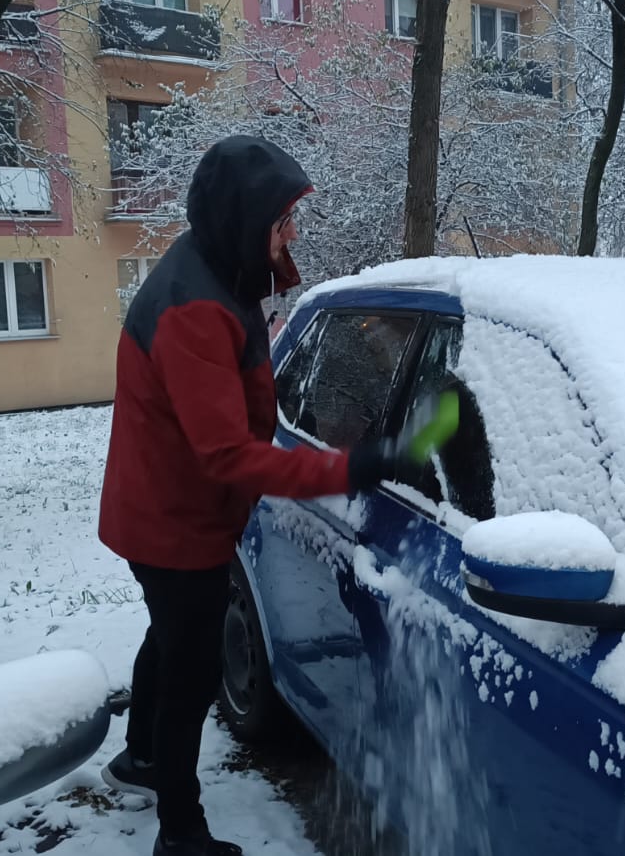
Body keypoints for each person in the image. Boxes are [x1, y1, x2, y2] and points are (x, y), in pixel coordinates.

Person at [96, 136, 399, 856]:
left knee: (170, 637)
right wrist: (345, 469)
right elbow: (229, 455)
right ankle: (181, 831)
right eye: (281, 220)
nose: (291, 233)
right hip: (176, 523)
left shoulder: (212, 267)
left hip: (165, 508)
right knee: (191, 670)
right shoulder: (195, 310)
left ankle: (140, 756)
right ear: (242, 217)